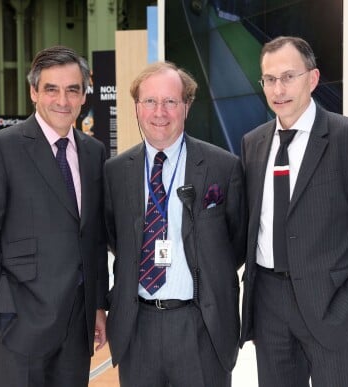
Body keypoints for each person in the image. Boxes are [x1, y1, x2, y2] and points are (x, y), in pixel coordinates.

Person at [240, 36, 348, 387]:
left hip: (332, 307)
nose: (278, 89)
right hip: (269, 308)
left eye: (288, 76)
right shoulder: (253, 143)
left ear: (312, 79)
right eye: (269, 79)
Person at [0, 46, 108, 387]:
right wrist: (2, 309)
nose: (63, 99)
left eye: (73, 89)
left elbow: (94, 237)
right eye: (51, 89)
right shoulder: (1, 148)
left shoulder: (93, 152)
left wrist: (98, 305)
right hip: (20, 323)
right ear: (33, 92)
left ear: (84, 95)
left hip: (77, 323)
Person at [104, 61, 246, 387]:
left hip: (201, 326)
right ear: (137, 108)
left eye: (170, 101)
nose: (160, 112)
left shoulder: (223, 167)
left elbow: (235, 242)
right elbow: (115, 238)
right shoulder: (115, 172)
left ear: (186, 106)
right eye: (150, 101)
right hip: (137, 327)